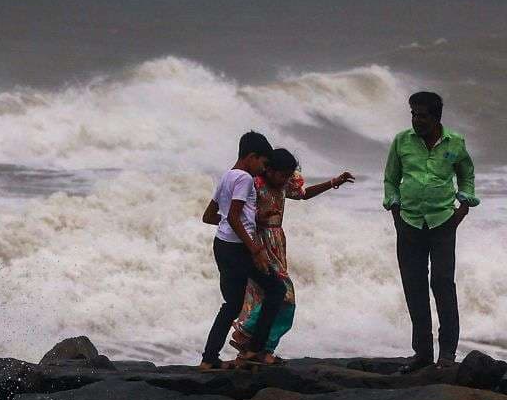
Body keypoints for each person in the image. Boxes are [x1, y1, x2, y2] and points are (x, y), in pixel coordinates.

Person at [229, 148, 355, 358]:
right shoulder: (256, 184)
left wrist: (333, 182)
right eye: (282, 175)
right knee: (283, 294)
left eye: (289, 176)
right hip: (259, 243)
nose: (286, 179)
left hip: (277, 242)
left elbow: (304, 194)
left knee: (269, 297)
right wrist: (260, 217)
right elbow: (241, 214)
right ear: (269, 170)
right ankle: (247, 333)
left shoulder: (285, 184)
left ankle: (259, 349)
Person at [384, 91, 478, 371]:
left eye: (421, 115)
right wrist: (395, 209)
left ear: (436, 117)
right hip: (409, 223)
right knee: (414, 288)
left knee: (443, 285)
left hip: (443, 223)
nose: (416, 120)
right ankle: (422, 353)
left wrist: (464, 206)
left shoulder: (455, 142)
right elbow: (390, 179)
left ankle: (447, 355)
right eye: (413, 114)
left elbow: (466, 174)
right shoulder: (402, 141)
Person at [198, 131, 285, 370]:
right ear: (251, 157)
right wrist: (256, 250)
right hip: (238, 248)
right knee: (277, 289)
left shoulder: (226, 177)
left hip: (222, 245)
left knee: (233, 304)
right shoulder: (245, 179)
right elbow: (234, 217)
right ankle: (255, 350)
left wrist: (252, 218)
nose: (264, 170)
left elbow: (209, 216)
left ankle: (209, 359)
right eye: (263, 163)